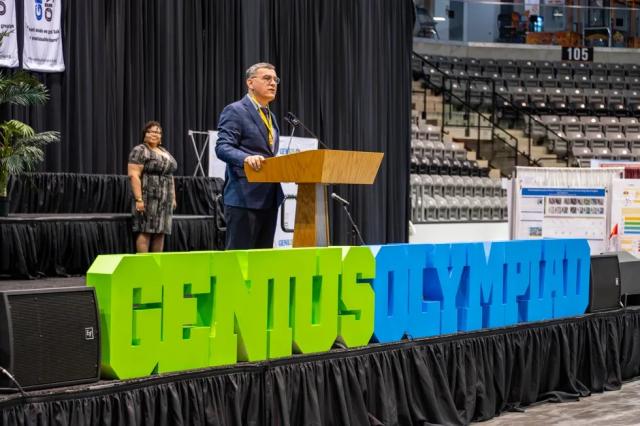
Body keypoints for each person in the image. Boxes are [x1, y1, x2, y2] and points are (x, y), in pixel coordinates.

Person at [215, 62, 284, 249]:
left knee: (262, 263)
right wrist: (246, 158)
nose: (273, 83)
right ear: (250, 83)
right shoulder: (236, 110)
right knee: (239, 261)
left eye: (275, 79)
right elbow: (222, 147)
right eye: (266, 78)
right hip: (244, 197)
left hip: (269, 198)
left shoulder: (271, 116)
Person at [127, 121, 178, 253]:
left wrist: (173, 198)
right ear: (145, 134)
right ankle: (144, 266)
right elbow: (133, 175)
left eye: (158, 132)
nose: (155, 134)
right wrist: (139, 199)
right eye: (151, 131)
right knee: (146, 231)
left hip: (165, 199)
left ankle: (155, 267)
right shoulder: (140, 150)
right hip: (148, 197)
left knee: (161, 231)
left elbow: (170, 175)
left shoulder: (164, 151)